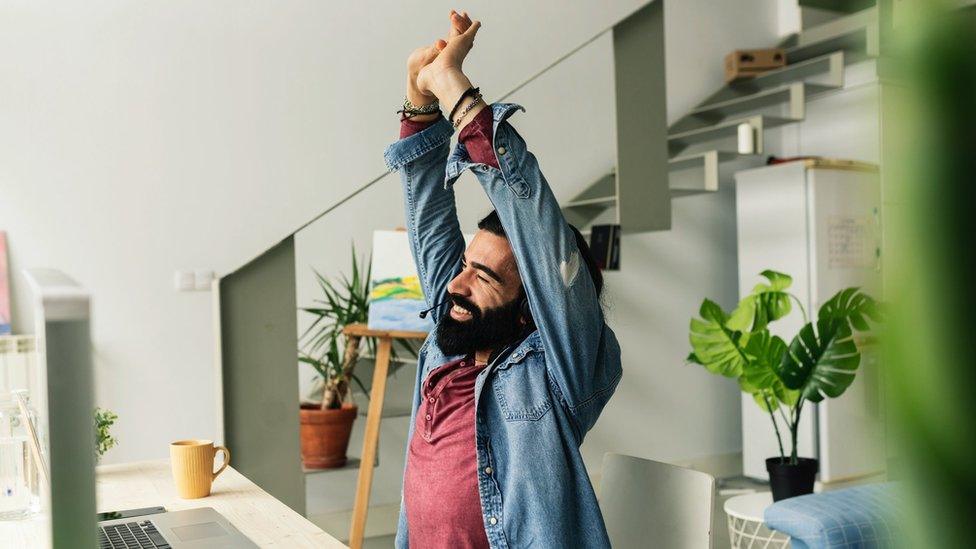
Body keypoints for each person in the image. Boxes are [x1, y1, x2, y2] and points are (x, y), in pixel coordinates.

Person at [383, 11, 622, 548]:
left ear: (529, 306)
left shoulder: (557, 372)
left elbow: (537, 231)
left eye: (485, 277)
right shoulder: (451, 349)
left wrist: (452, 86)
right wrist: (418, 102)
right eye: (467, 265)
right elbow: (429, 221)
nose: (456, 284)